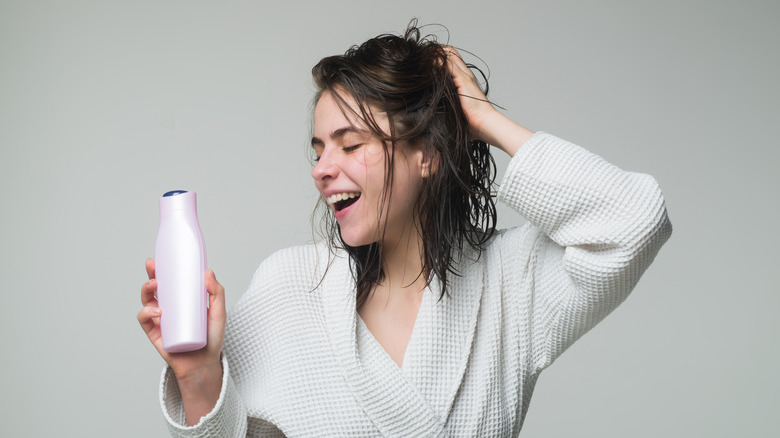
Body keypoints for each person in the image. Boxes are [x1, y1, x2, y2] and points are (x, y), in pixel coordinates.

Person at [138, 23, 672, 437]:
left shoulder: (512, 282)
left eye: (351, 145)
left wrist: (482, 118)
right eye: (319, 149)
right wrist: (198, 372)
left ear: (427, 154)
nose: (322, 168)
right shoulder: (289, 288)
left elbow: (634, 220)